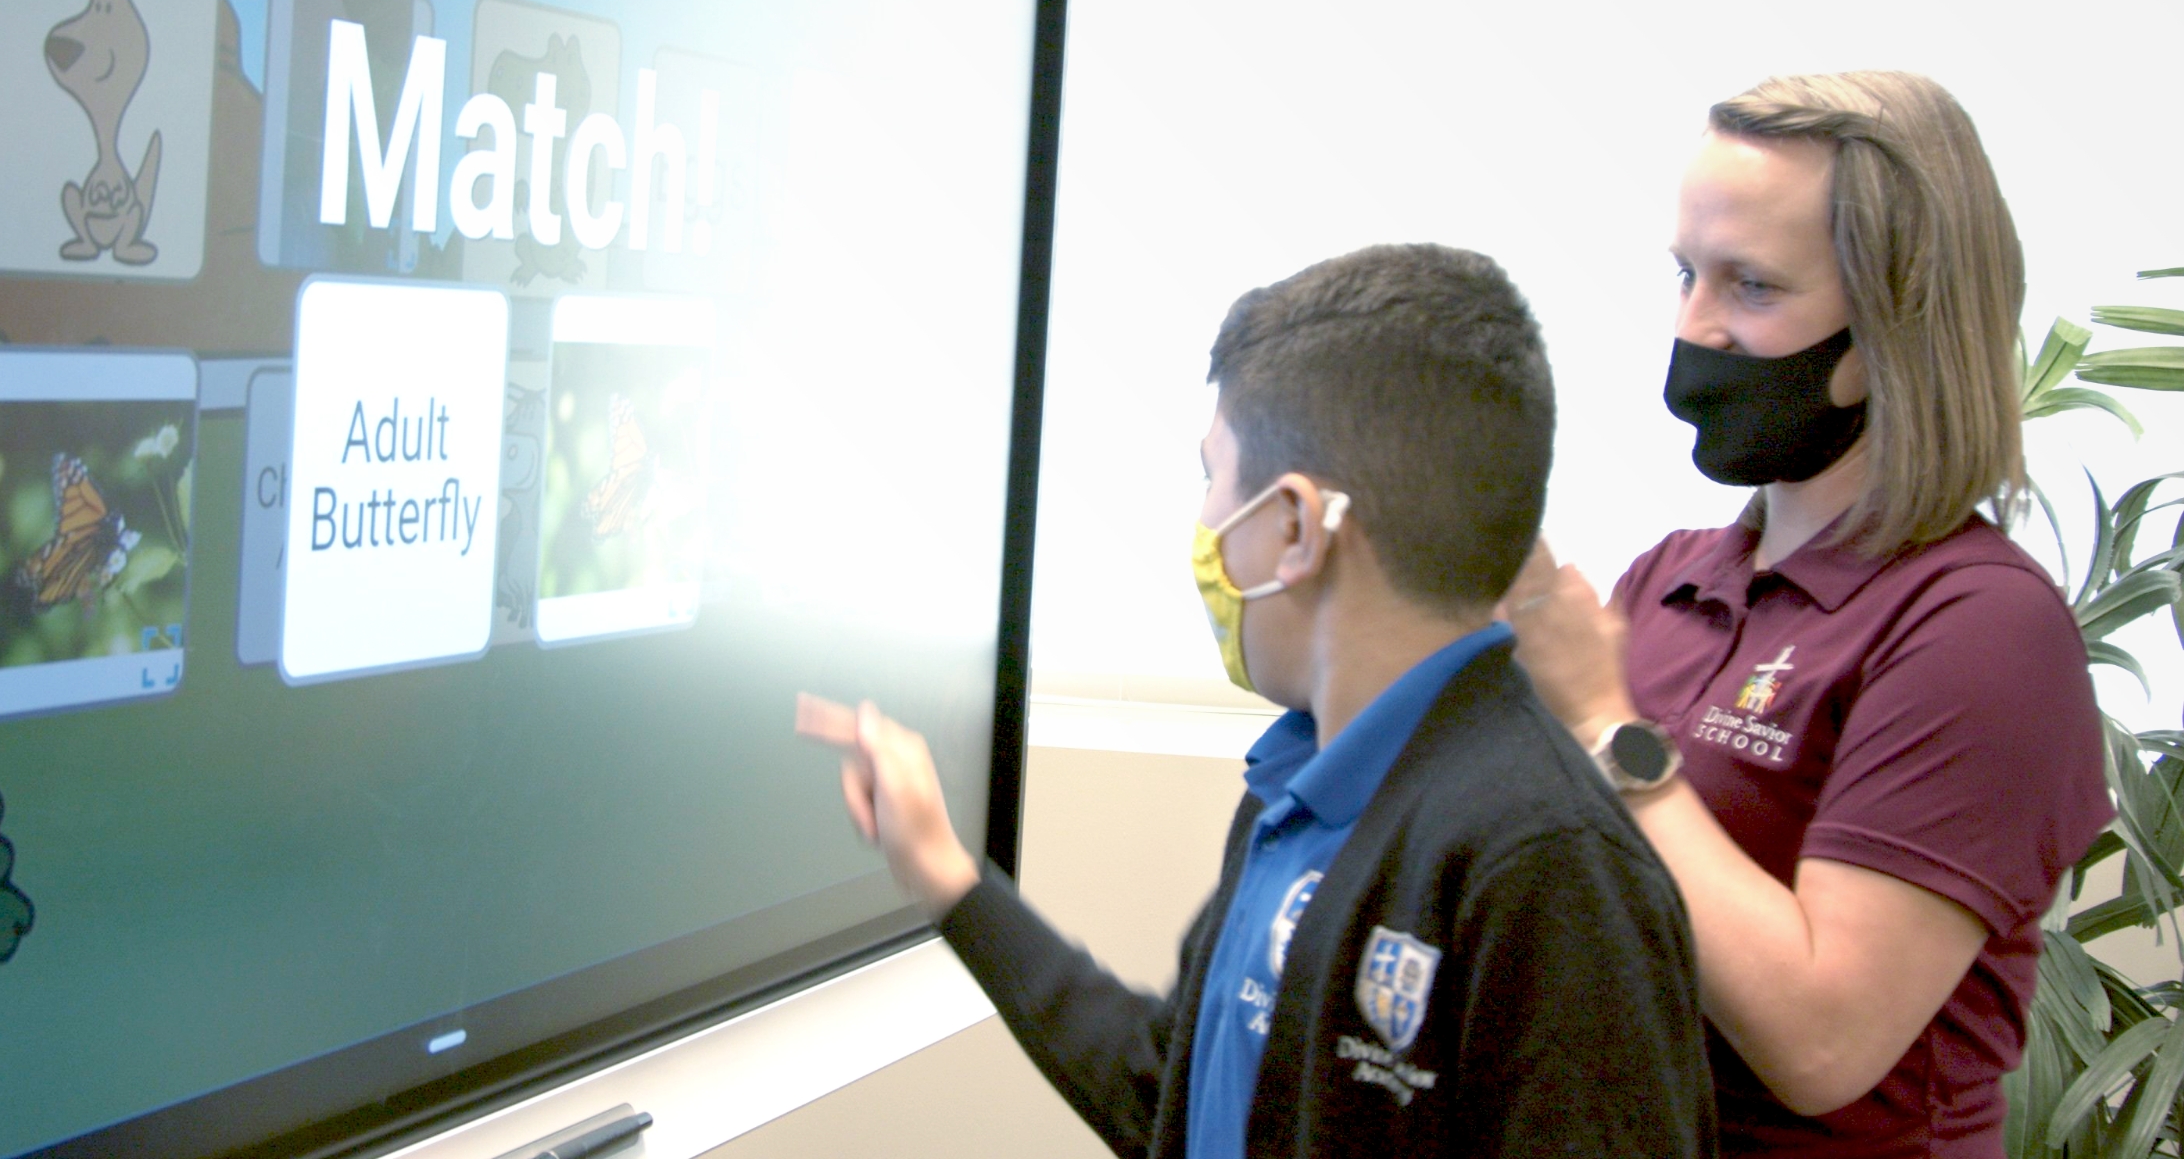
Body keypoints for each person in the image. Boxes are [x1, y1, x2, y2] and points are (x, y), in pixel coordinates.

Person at [800, 244, 1716, 1159]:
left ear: (1291, 528)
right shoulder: (1296, 790)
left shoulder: (1546, 862)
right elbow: (1166, 1095)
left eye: (1212, 475)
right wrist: (948, 880)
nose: (1203, 524)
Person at [1502, 71, 2111, 1157]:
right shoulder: (1672, 582)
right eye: (1686, 275)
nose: (1695, 328)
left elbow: (1823, 1043)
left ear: (1892, 322)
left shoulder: (1978, 630)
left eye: (1751, 287)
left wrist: (1602, 721)